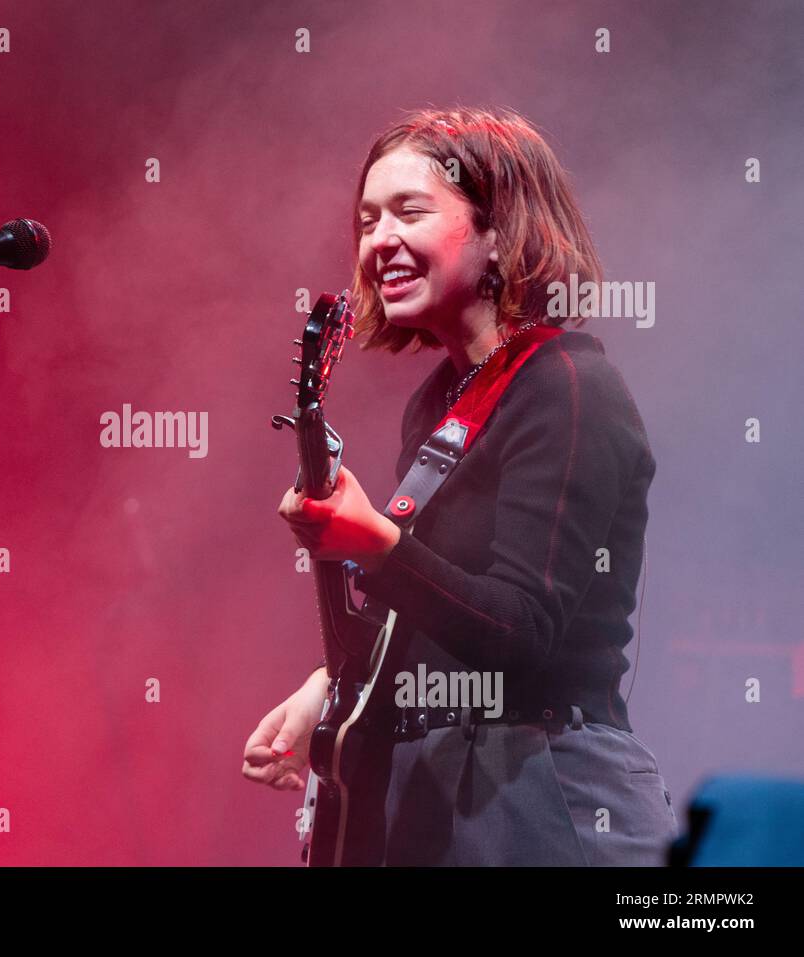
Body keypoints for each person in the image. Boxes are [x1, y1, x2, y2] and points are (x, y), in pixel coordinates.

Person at [242, 107, 679, 865]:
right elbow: (445, 607)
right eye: (367, 219)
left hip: (546, 790)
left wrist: (374, 544)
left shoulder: (569, 384)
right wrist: (338, 680)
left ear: (500, 231)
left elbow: (519, 628)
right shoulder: (439, 399)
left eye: (409, 211)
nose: (379, 241)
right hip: (443, 790)